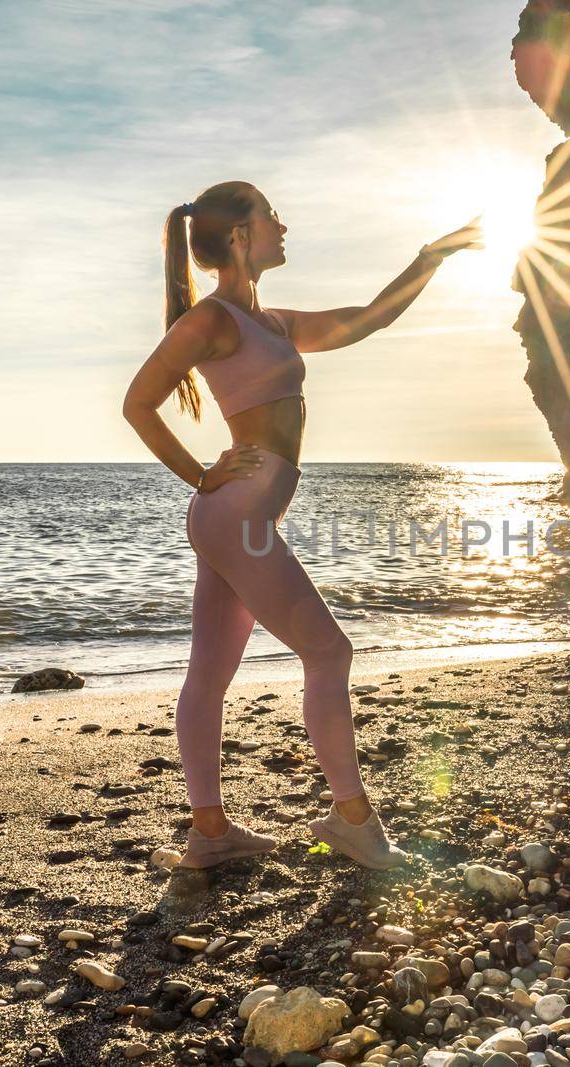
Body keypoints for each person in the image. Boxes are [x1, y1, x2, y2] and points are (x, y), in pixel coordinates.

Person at [122, 180, 482, 870]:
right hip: (235, 513)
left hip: (237, 515)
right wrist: (200, 474)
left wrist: (432, 256)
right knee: (329, 653)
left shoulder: (274, 323)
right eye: (269, 215)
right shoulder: (212, 321)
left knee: (210, 671)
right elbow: (139, 403)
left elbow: (370, 318)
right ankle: (352, 818)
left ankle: (210, 832)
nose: (283, 225)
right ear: (239, 235)